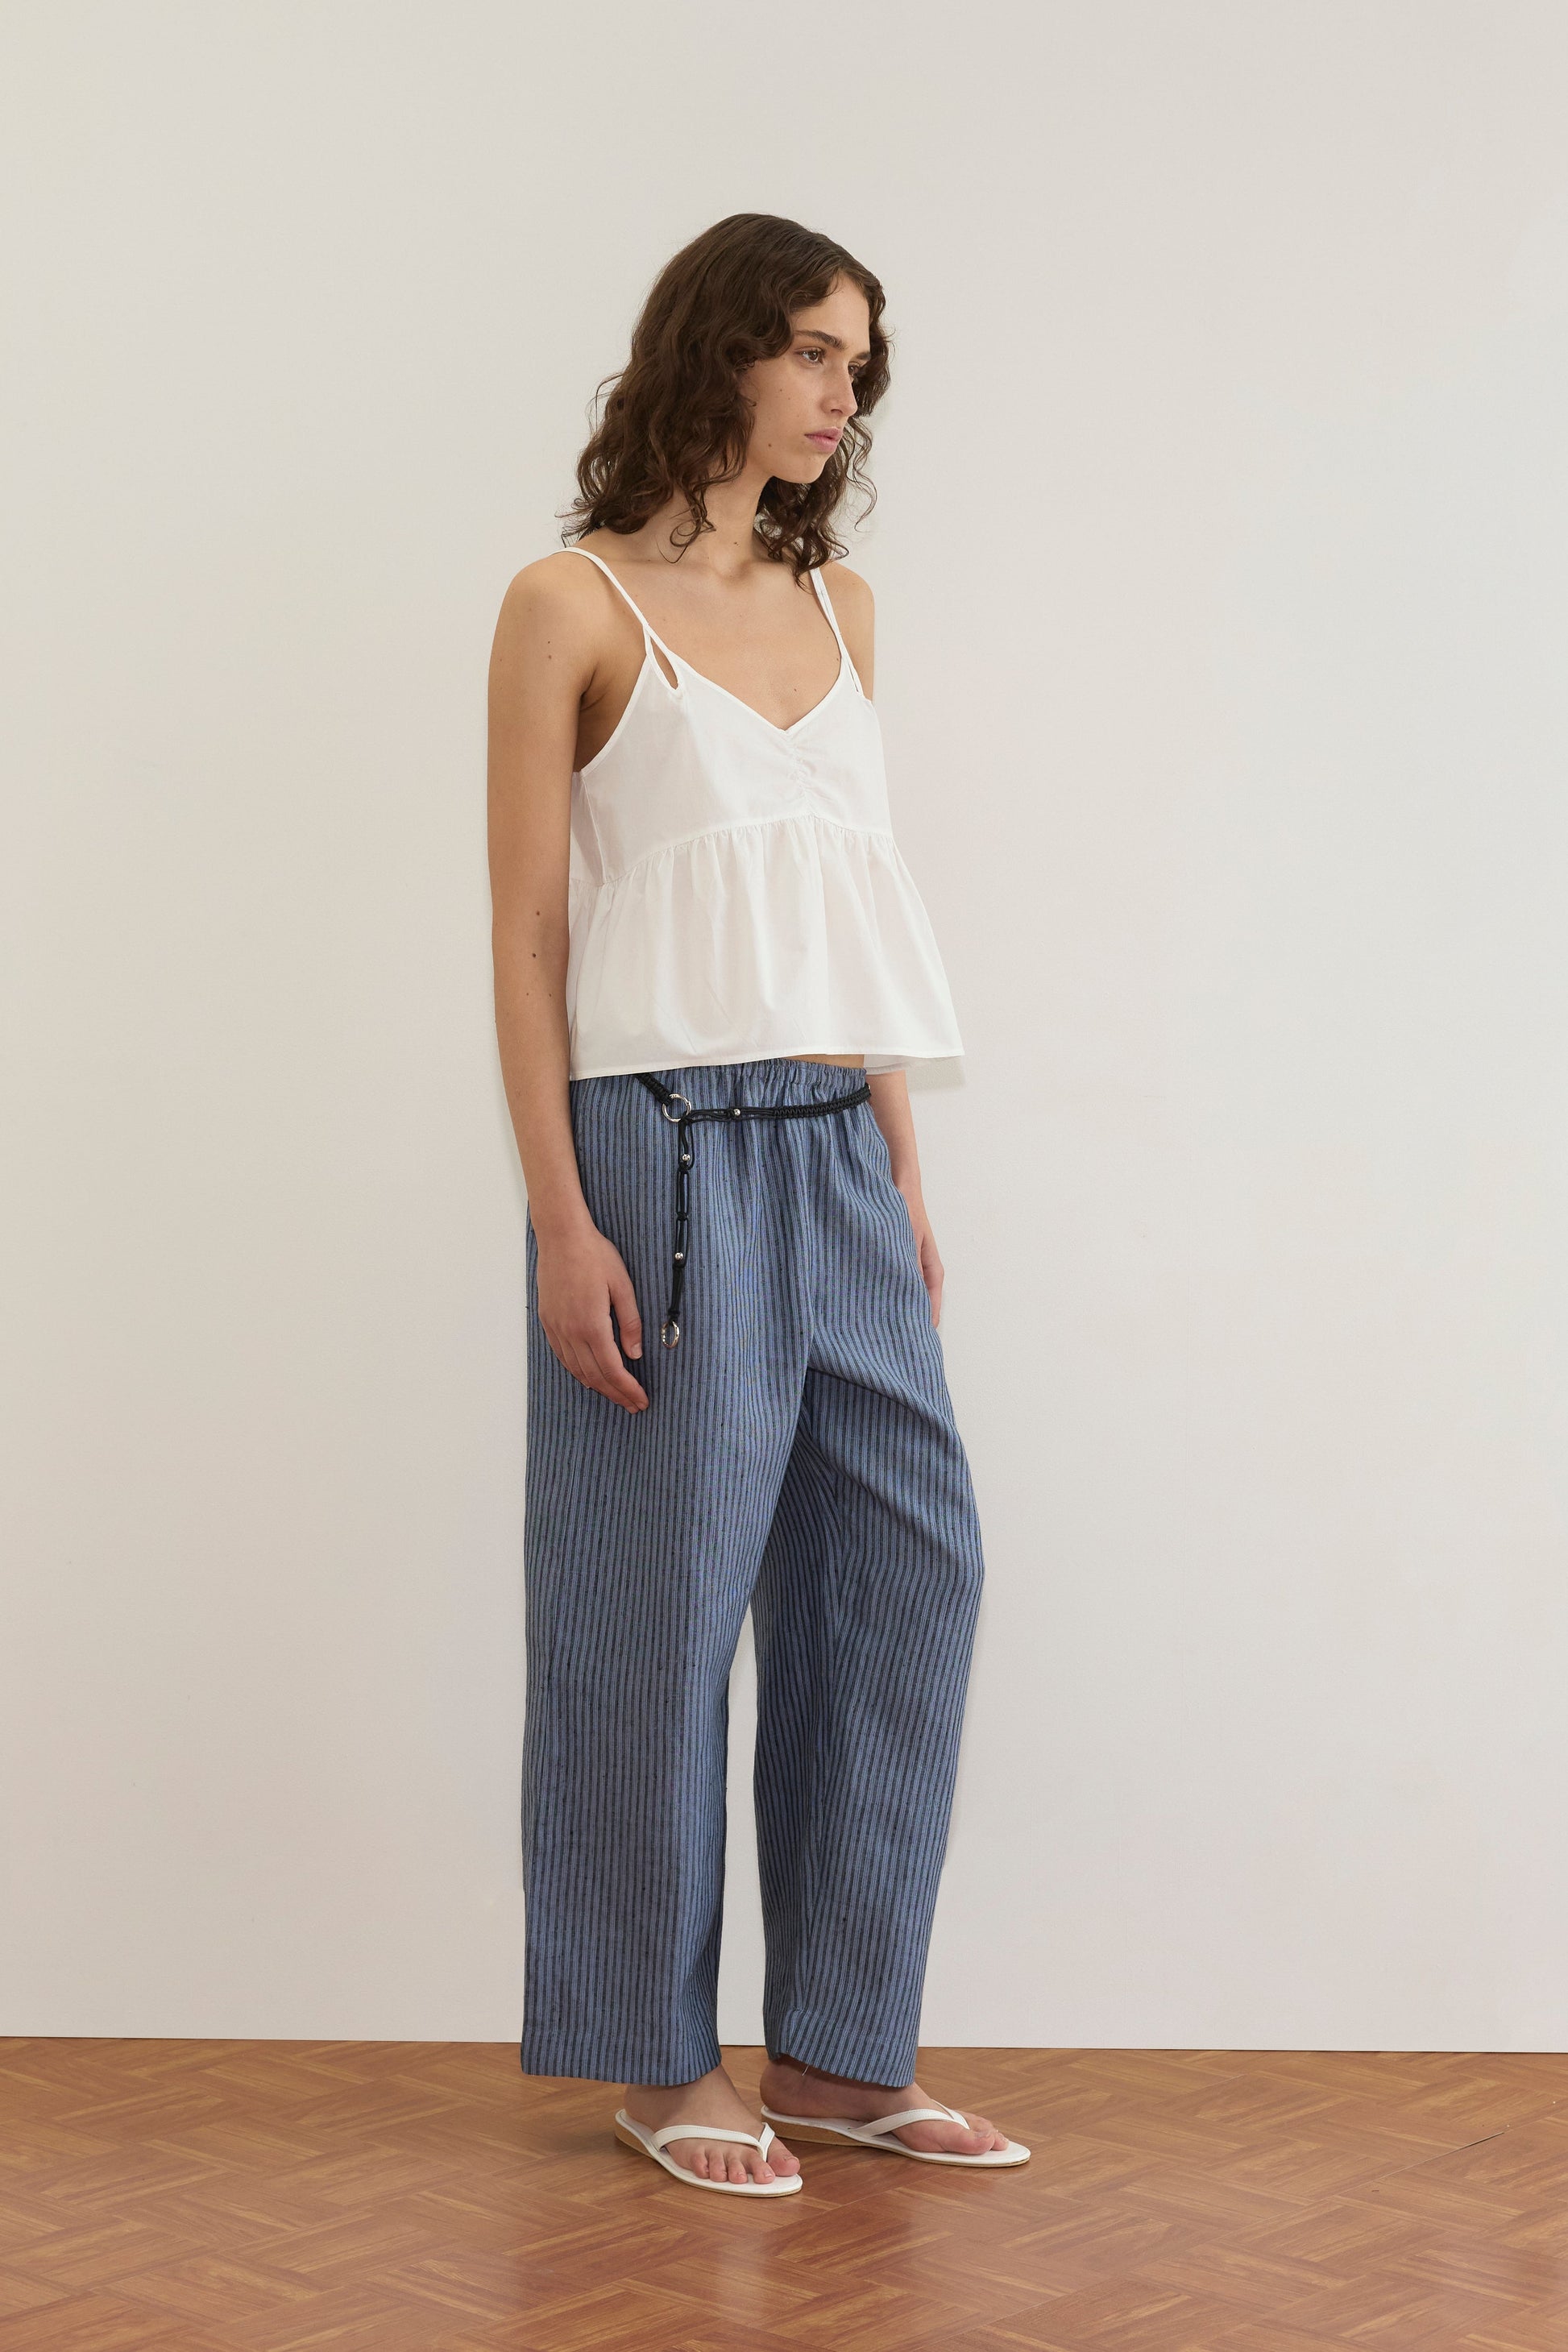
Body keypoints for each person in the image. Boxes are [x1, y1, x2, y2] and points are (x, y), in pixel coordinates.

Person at [487, 213, 1027, 2198]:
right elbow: (533, 930)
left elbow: (847, 894)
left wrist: (899, 1150)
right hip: (663, 1149)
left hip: (832, 1134)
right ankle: (657, 2056)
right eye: (810, 346)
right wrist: (561, 1213)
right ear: (714, 351)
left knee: (909, 1569)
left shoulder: (841, 606)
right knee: (655, 1604)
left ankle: (832, 2051)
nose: (840, 389)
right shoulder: (568, 604)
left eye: (859, 360)